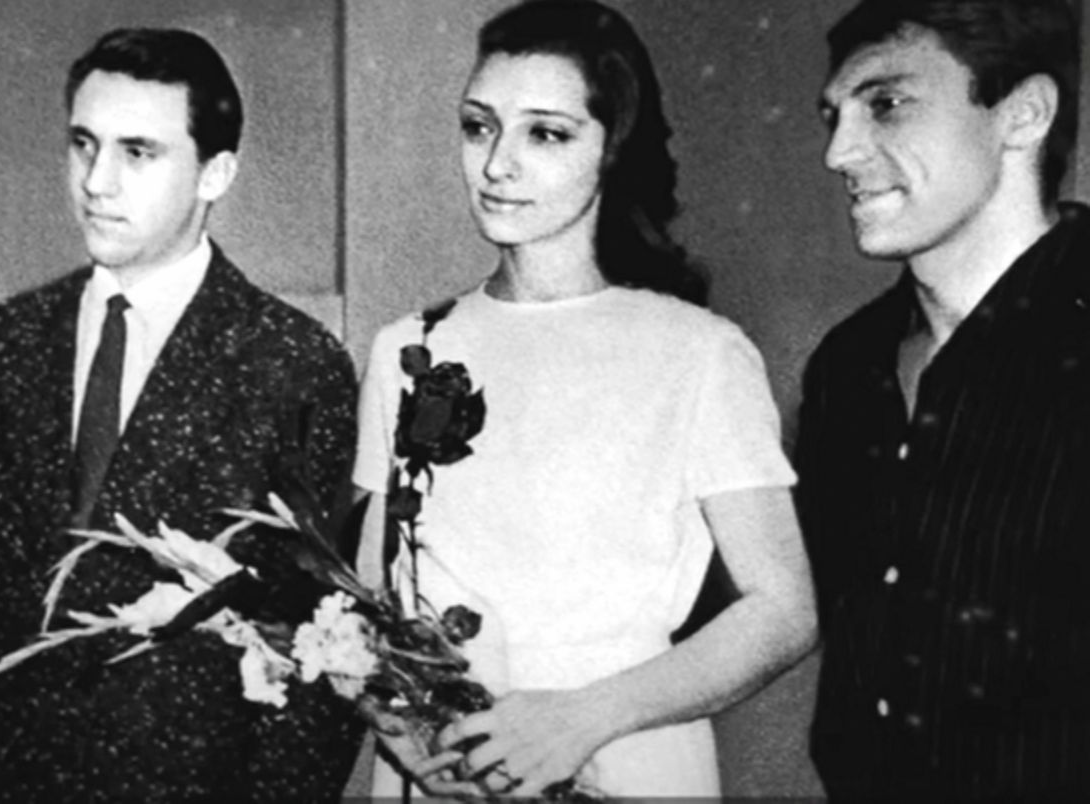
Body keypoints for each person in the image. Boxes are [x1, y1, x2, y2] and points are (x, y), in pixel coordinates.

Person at [353, 0, 817, 797]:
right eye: (479, 127)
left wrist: (581, 718)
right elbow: (368, 595)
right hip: (448, 766)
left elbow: (783, 611)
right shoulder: (408, 349)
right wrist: (395, 719)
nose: (497, 164)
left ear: (612, 149)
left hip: (623, 756)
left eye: (546, 134)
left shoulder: (700, 353)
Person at [0, 27, 363, 802]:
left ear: (215, 173)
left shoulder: (292, 364)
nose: (97, 181)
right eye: (83, 145)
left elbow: (318, 640)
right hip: (13, 779)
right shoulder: (4, 344)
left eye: (138, 152)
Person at [799, 0, 1089, 798]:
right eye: (833, 116)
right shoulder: (847, 367)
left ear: (1023, 115)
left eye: (887, 103)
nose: (838, 152)